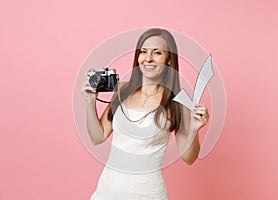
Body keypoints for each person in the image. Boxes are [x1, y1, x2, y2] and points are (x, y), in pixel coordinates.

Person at [81, 28, 209, 200]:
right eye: (143, 52)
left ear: (169, 60)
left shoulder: (177, 101)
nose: (148, 58)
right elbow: (98, 137)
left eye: (157, 53)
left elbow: (189, 158)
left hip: (148, 194)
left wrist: (194, 130)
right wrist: (90, 104)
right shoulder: (122, 89)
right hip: (107, 191)